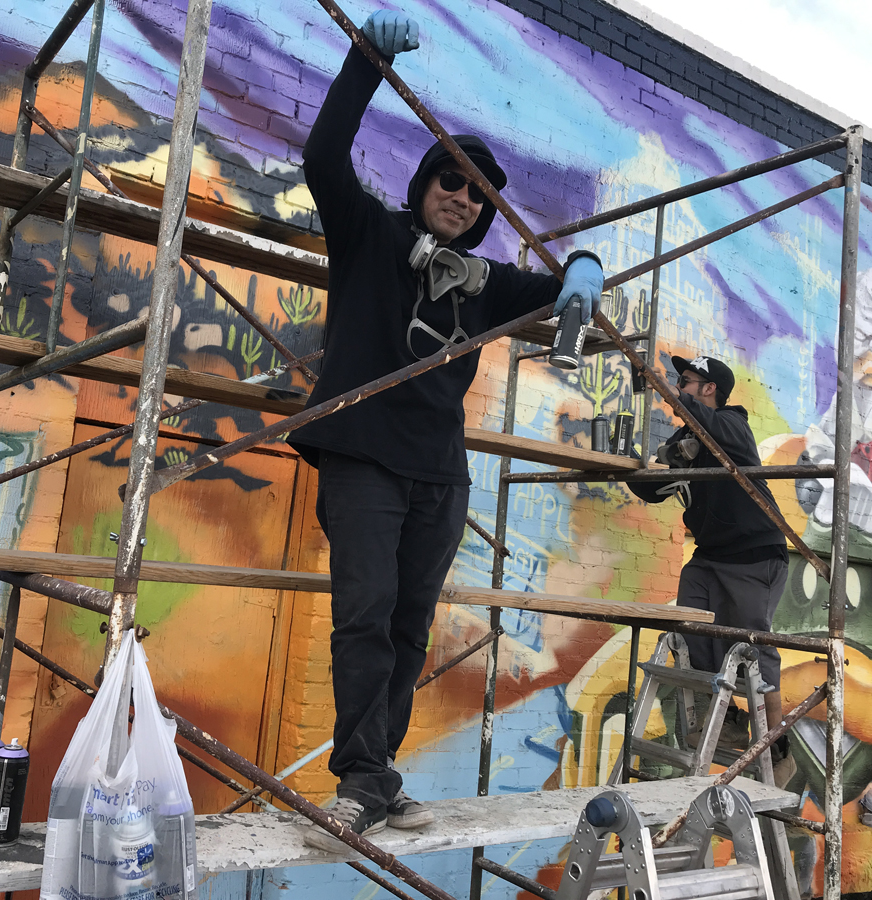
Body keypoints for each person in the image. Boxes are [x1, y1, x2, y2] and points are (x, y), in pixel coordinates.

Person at [288, 10, 604, 850]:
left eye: (476, 193)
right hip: (360, 457)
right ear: (425, 180)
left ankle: (374, 775)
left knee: (406, 628)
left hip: (439, 475)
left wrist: (582, 268)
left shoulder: (486, 282)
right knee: (364, 612)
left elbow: (550, 289)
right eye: (450, 180)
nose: (461, 199)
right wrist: (363, 64)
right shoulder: (368, 236)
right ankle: (360, 782)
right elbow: (323, 157)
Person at [625, 354, 796, 786]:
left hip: (754, 552)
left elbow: (702, 420)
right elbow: (657, 489)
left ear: (709, 389)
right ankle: (728, 718)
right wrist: (628, 466)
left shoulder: (732, 424)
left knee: (753, 645)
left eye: (686, 381)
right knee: (692, 629)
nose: (680, 386)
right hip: (711, 555)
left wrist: (662, 389)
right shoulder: (692, 436)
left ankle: (776, 747)